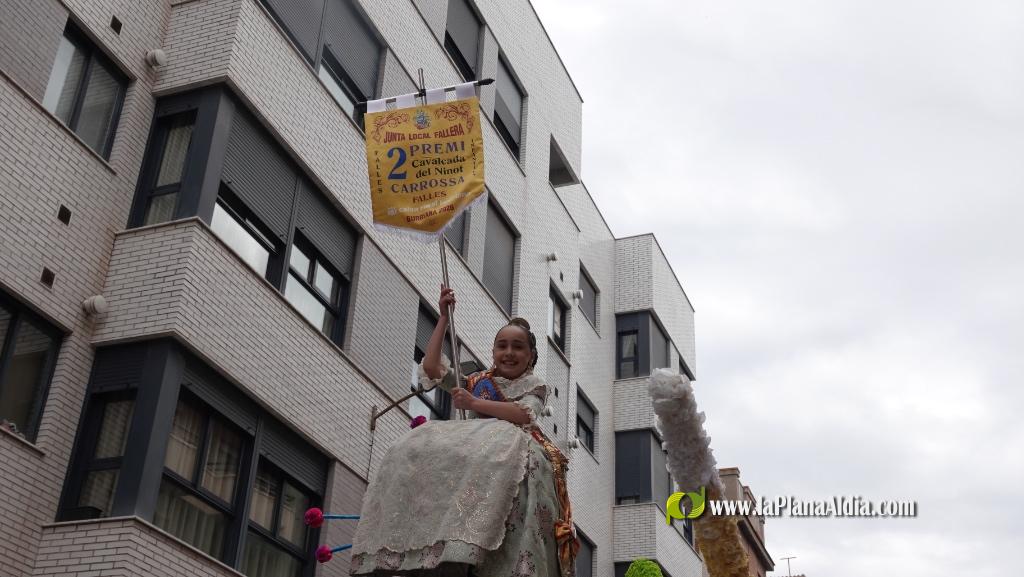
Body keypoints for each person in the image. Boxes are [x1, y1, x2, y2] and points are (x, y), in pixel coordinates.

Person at [349, 287, 577, 577]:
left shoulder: (535, 385)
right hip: (475, 443)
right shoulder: (477, 381)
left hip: (512, 444)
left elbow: (524, 414)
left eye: (518, 347)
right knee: (416, 443)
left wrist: (474, 403)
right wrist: (443, 318)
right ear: (493, 352)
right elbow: (433, 369)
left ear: (530, 355)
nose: (509, 353)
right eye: (502, 346)